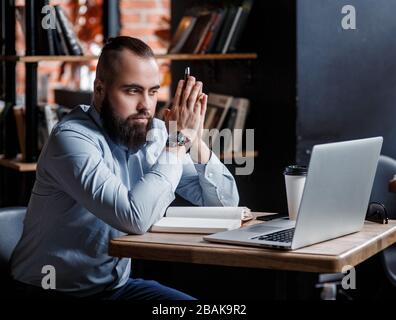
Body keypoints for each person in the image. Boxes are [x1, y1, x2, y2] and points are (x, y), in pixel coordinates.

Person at [10, 36, 239, 300]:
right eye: (132, 91)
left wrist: (193, 138)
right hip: (49, 291)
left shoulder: (155, 132)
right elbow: (134, 218)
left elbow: (225, 206)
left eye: (153, 91)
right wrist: (177, 142)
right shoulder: (71, 139)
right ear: (99, 90)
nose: (146, 105)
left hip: (118, 289)